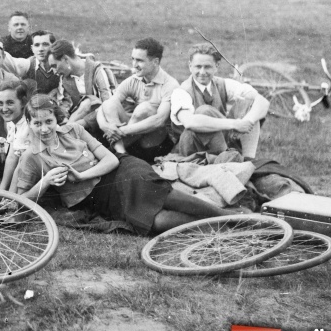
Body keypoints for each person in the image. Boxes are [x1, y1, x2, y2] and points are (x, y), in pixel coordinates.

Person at [15, 95, 244, 235]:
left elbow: (112, 159)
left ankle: (231, 219)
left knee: (160, 193)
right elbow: (19, 202)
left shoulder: (74, 130)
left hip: (120, 170)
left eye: (49, 122)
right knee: (156, 221)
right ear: (28, 123)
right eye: (37, 123)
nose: (44, 129)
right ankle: (221, 225)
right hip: (98, 197)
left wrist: (82, 175)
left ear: (57, 119)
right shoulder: (30, 156)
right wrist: (45, 181)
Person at [171, 43, 270, 159]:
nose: (202, 72)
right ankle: (229, 159)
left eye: (207, 67)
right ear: (190, 66)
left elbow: (263, 101)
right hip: (192, 147)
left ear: (216, 66)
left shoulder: (222, 84)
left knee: (248, 102)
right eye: (198, 67)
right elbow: (189, 121)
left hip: (220, 141)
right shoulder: (181, 92)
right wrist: (234, 124)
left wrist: (248, 121)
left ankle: (249, 159)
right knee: (204, 111)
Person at [97, 38, 179, 162]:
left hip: (155, 145)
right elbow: (105, 106)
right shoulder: (133, 80)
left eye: (139, 60)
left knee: (144, 109)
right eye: (133, 59)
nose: (134, 65)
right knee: (110, 103)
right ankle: (120, 153)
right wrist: (106, 127)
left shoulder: (170, 84)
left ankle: (111, 151)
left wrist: (120, 131)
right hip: (132, 140)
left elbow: (159, 120)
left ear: (155, 62)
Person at [48, 39, 112, 131]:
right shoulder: (65, 79)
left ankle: (65, 133)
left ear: (66, 59)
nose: (54, 72)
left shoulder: (98, 71)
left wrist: (83, 122)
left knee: (89, 102)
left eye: (54, 66)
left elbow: (109, 105)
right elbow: (65, 105)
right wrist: (65, 120)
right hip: (81, 126)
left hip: (105, 122)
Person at [0, 80, 34, 191]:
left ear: (23, 102)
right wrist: (1, 191)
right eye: (0, 103)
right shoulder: (12, 122)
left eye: (10, 102)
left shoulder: (28, 124)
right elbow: (12, 157)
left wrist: (10, 195)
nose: (4, 108)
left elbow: (22, 163)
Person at [24, 30, 60, 95]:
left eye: (45, 44)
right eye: (37, 45)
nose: (41, 49)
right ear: (32, 48)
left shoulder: (61, 64)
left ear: (54, 46)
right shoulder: (26, 66)